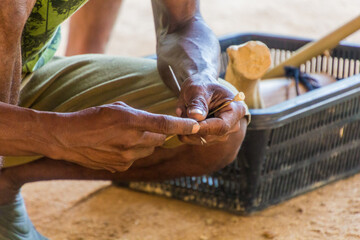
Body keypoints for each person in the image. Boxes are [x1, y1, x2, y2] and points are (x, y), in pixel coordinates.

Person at [0, 0, 249, 239]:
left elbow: (183, 21)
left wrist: (201, 74)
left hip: (26, 72)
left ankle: (4, 186)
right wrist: (56, 133)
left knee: (217, 127)